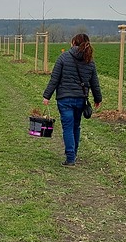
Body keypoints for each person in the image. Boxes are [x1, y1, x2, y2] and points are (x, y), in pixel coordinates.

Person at [42, 33, 102, 167]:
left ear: (74, 42)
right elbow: (95, 83)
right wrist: (98, 99)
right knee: (76, 125)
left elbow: (54, 79)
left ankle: (70, 158)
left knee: (68, 127)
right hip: (81, 99)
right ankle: (74, 154)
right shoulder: (89, 61)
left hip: (64, 99)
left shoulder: (63, 57)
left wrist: (47, 96)